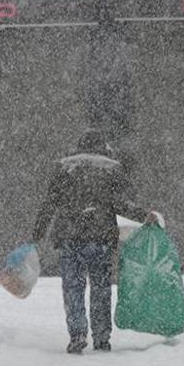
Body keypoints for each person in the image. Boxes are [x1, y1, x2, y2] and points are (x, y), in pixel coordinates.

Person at [32, 129, 158, 354]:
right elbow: (119, 203)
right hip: (100, 237)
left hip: (70, 237)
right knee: (101, 288)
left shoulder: (64, 168)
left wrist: (38, 233)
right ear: (102, 147)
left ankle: (77, 334)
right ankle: (101, 338)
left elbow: (50, 203)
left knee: (73, 288)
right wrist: (143, 215)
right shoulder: (110, 169)